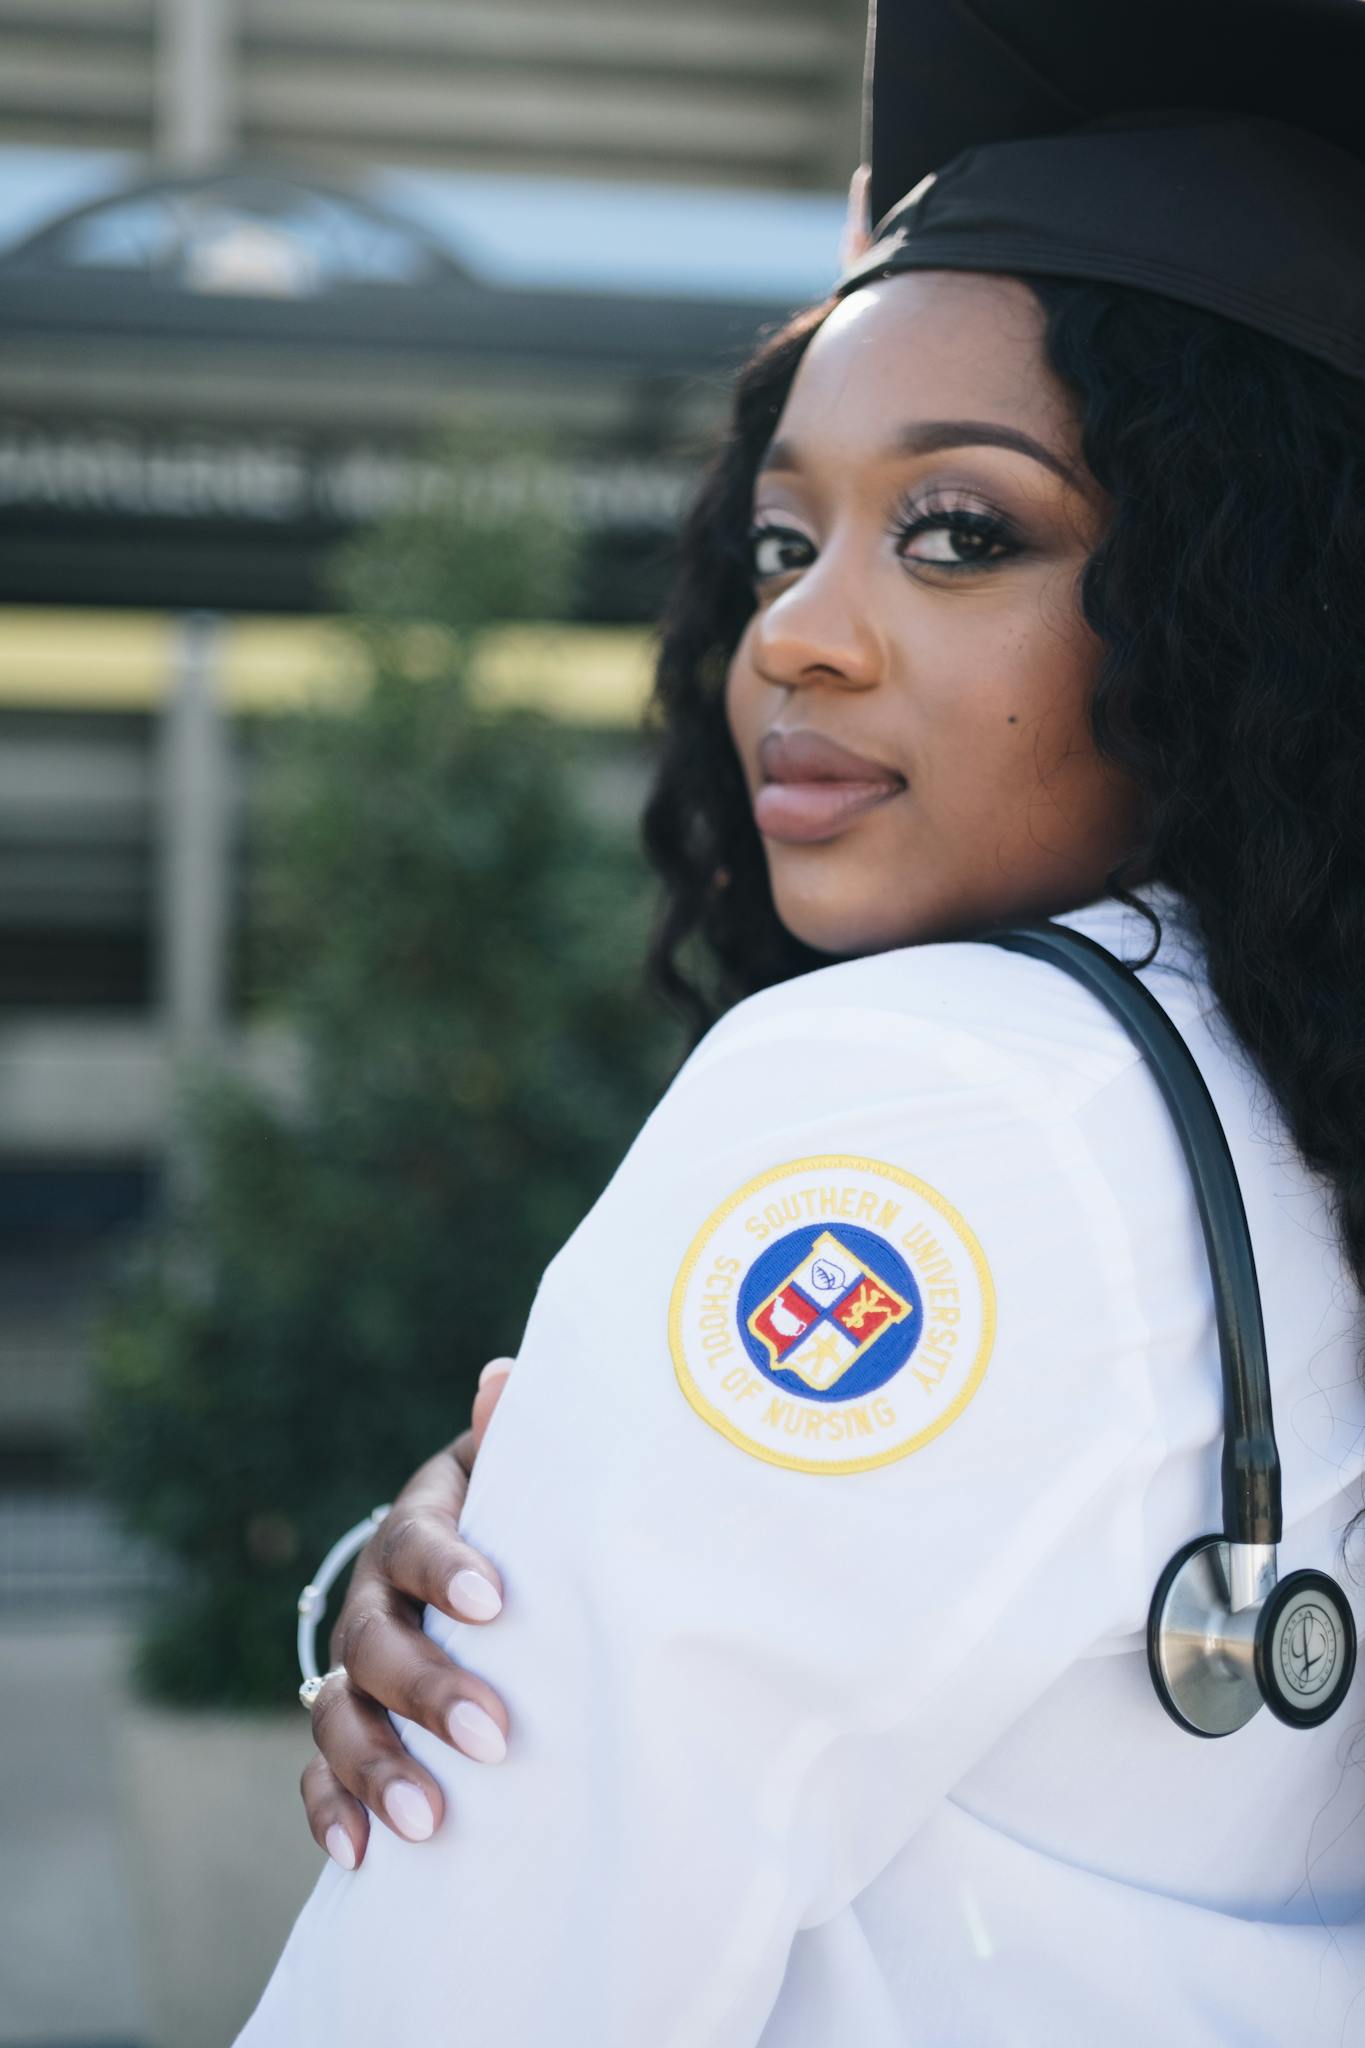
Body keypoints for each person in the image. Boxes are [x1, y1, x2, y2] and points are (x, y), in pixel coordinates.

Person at [236, 2, 1365, 2039]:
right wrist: (542, 1526)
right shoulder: (1293, 1104)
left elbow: (473, 1988)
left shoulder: (926, 1092)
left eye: (960, 533)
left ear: (1239, 598)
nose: (793, 630)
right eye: (783, 533)